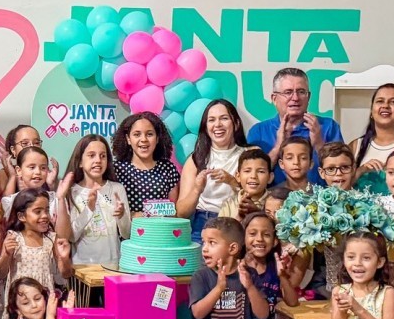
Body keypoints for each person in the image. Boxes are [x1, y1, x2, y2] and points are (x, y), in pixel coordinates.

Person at [246, 67, 345, 185]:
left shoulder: (328, 126)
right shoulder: (258, 131)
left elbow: (341, 174)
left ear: (308, 97)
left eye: (301, 92)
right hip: (272, 196)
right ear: (274, 98)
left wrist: (319, 144)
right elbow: (252, 178)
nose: (295, 98)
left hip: (320, 195)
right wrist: (278, 147)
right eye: (288, 92)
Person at [177, 100, 249, 240]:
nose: (217, 124)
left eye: (224, 118)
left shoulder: (248, 155)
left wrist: (232, 182)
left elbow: (257, 198)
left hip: (237, 223)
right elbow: (181, 213)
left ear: (236, 123)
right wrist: (197, 189)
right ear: (205, 127)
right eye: (211, 120)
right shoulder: (196, 159)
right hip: (203, 224)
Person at [56, 134, 130, 266]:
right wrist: (89, 209)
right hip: (82, 268)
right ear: (80, 162)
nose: (98, 160)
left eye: (103, 156)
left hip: (114, 266)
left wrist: (121, 215)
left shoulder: (117, 189)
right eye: (91, 155)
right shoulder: (72, 192)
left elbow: (127, 234)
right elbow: (71, 236)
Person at [111, 112, 181, 214]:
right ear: (128, 139)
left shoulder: (168, 168)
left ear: (157, 138)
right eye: (137, 134)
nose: (144, 139)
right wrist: (134, 216)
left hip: (160, 224)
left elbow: (173, 212)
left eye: (149, 134)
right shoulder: (117, 169)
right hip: (127, 224)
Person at [351, 83, 394, 191]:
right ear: (371, 110)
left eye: (393, 102)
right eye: (380, 101)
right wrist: (361, 171)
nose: (385, 106)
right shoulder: (356, 146)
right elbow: (341, 187)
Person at [218, 148, 273, 223]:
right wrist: (239, 218)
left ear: (270, 177)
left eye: (261, 171)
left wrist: (257, 213)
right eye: (247, 171)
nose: (253, 176)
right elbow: (222, 230)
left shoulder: (276, 202)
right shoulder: (229, 204)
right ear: (238, 176)